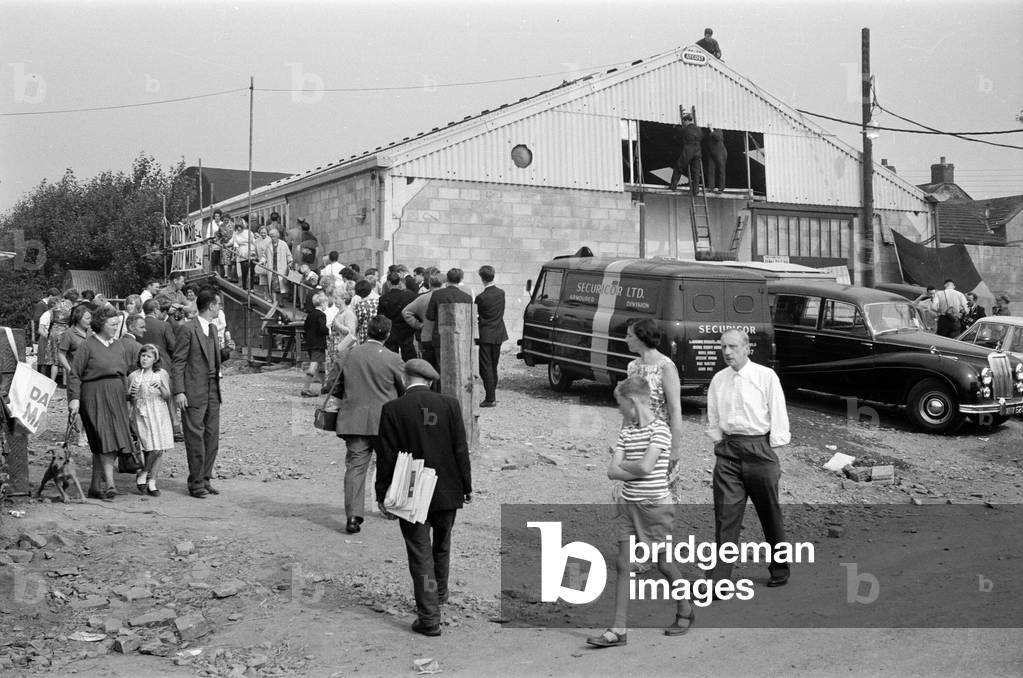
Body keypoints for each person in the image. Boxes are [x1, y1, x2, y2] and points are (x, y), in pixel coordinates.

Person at [585, 376, 695, 648]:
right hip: (628, 505)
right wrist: (633, 468)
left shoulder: (660, 430)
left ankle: (685, 607)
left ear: (632, 401)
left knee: (663, 563)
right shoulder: (627, 431)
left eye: (620, 404)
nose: (619, 410)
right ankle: (618, 629)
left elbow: (644, 468)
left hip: (655, 507)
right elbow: (613, 471)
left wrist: (627, 468)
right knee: (623, 564)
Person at [375, 358, 473, 637]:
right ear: (430, 381)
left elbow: (386, 456)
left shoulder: (392, 409)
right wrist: (466, 486)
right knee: (441, 545)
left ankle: (430, 618)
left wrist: (382, 494)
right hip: (447, 489)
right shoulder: (450, 405)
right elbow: (460, 450)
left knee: (420, 553)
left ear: (406, 379)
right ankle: (439, 594)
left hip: (411, 491)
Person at [706, 329, 791, 588]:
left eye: (732, 346)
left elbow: (778, 411)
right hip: (728, 451)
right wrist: (720, 441)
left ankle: (780, 568)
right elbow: (713, 415)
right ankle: (720, 580)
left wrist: (773, 445)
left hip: (759, 450)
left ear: (747, 348)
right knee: (726, 516)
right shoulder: (719, 379)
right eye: (723, 347)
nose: (727, 352)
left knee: (769, 512)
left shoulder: (765, 376)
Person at [334, 315, 406, 534]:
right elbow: (405, 388)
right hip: (385, 421)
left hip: (354, 419)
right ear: (388, 334)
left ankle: (353, 516)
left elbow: (332, 386)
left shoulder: (348, 355)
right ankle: (386, 504)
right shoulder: (394, 359)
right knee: (388, 464)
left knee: (355, 468)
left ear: (368, 331)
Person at [67, 305, 135, 501]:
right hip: (94, 396)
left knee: (106, 441)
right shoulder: (87, 346)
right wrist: (74, 399)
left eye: (117, 324)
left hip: (116, 396)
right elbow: (75, 374)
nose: (115, 327)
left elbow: (124, 373)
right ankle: (111, 484)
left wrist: (127, 398)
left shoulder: (119, 345)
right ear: (101, 324)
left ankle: (95, 487)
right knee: (105, 438)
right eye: (112, 324)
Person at [172, 289, 224, 499]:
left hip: (213, 388)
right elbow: (178, 362)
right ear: (211, 306)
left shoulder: (212, 329)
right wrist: (180, 391)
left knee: (212, 437)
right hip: (193, 390)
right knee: (195, 437)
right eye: (218, 304)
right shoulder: (187, 329)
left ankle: (205, 478)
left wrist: (225, 353)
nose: (220, 308)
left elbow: (211, 358)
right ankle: (195, 484)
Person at [625, 318, 683, 465]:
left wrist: (675, 449)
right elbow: (629, 407)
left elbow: (675, 409)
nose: (626, 339)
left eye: (630, 336)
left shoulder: (666, 367)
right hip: (635, 437)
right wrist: (623, 439)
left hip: (658, 440)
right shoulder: (632, 367)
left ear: (642, 338)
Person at [128, 344, 173, 497]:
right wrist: (132, 394)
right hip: (142, 413)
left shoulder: (161, 374)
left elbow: (167, 396)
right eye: (143, 356)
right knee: (149, 447)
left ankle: (150, 479)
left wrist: (160, 387)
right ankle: (144, 473)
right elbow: (130, 399)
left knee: (159, 449)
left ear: (155, 359)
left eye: (149, 356)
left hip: (159, 412)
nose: (145, 359)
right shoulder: (134, 375)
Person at [425, 268, 473, 377]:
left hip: (441, 337)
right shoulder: (467, 297)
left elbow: (430, 316)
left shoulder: (437, 295)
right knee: (459, 367)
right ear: (461, 279)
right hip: (460, 338)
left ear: (447, 279)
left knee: (441, 368)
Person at [475, 265, 508, 408]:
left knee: (485, 367)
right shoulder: (501, 293)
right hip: (499, 332)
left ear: (482, 278)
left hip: (486, 334)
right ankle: (492, 393)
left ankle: (490, 398)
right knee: (494, 365)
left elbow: (477, 316)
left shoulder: (481, 297)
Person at [404, 274, 444, 370]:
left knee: (427, 367)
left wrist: (419, 325)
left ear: (429, 284)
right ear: (443, 284)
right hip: (442, 337)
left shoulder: (423, 298)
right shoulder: (445, 297)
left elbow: (406, 312)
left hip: (426, 335)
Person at [378, 272, 418, 359]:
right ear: (399, 282)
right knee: (409, 356)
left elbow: (381, 317)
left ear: (388, 283)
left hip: (391, 330)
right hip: (407, 329)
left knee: (391, 358)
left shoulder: (383, 299)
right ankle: (412, 372)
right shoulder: (410, 296)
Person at [301, 292, 330, 397]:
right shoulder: (322, 315)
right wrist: (329, 330)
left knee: (321, 365)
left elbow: (305, 328)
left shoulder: (310, 315)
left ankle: (324, 387)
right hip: (319, 344)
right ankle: (305, 388)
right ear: (322, 304)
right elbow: (322, 329)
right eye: (326, 303)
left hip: (310, 343)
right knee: (313, 366)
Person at [48, 289, 77, 384]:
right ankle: (66, 382)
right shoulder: (73, 307)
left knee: (55, 359)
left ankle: (52, 382)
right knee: (66, 356)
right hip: (66, 330)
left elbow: (51, 319)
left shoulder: (57, 304)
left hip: (55, 330)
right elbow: (73, 320)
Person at [669, 112, 703, 193]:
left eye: (684, 121)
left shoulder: (685, 129)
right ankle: (696, 190)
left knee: (679, 167)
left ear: (687, 121)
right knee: (696, 171)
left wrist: (675, 127)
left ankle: (673, 186)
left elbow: (678, 134)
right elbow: (701, 137)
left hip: (688, 150)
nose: (684, 123)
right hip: (698, 151)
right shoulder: (699, 130)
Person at [57, 303, 92, 380]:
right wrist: (70, 370)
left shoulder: (92, 332)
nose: (90, 321)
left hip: (91, 375)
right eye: (87, 318)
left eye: (90, 318)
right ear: (78, 318)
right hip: (76, 376)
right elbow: (61, 354)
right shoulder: (68, 333)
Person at [260, 228, 293, 305]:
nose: (272, 238)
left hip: (281, 268)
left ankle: (280, 301)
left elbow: (288, 255)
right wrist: (262, 261)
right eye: (271, 236)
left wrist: (290, 262)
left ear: (277, 236)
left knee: (280, 286)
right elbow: (264, 255)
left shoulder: (283, 244)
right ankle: (275, 302)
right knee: (273, 285)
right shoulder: (268, 245)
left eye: (274, 236)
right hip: (272, 268)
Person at [230, 219, 256, 290]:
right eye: (237, 227)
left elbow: (253, 242)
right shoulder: (235, 233)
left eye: (240, 226)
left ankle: (251, 288)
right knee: (244, 272)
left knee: (251, 273)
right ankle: (244, 287)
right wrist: (227, 245)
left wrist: (254, 252)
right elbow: (234, 242)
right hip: (241, 254)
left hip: (250, 252)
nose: (239, 228)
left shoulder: (249, 232)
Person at [353, 279, 380, 344]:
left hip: (365, 333)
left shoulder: (359, 305)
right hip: (378, 330)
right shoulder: (377, 301)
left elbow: (358, 322)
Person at [36, 297, 56, 376]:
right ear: (53, 305)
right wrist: (48, 337)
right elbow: (40, 330)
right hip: (45, 340)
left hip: (51, 340)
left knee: (50, 362)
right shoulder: (46, 315)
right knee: (43, 361)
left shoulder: (54, 315)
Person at [703, 127, 727, 193]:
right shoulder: (708, 132)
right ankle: (711, 187)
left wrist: (711, 130)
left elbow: (718, 138)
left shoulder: (719, 130)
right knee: (710, 170)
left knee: (721, 171)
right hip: (712, 153)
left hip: (721, 153)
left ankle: (721, 188)